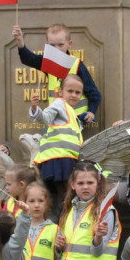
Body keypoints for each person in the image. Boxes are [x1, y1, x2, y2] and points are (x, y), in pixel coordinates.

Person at [55, 161, 121, 260]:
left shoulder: (106, 211)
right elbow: (61, 254)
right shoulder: (67, 210)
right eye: (81, 183)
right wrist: (58, 247)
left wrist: (98, 237)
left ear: (98, 183)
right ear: (72, 184)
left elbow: (98, 251)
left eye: (90, 182)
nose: (85, 187)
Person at [12, 23, 101, 124]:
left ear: (69, 43)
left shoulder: (77, 65)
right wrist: (20, 40)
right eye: (52, 45)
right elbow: (28, 59)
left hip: (76, 117)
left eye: (61, 45)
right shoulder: (48, 61)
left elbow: (94, 93)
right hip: (55, 116)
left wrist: (91, 112)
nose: (57, 49)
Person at [30, 74, 88, 212]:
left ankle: (61, 218)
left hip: (66, 158)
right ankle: (64, 218)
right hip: (58, 158)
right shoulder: (59, 103)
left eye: (77, 92)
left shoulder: (73, 114)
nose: (74, 95)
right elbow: (45, 118)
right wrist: (34, 109)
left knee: (60, 195)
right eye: (70, 91)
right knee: (65, 193)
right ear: (61, 91)